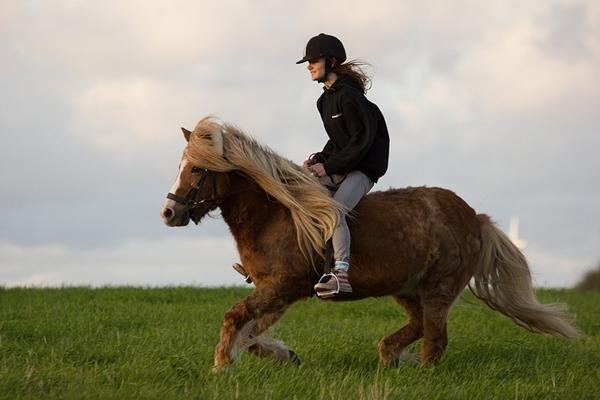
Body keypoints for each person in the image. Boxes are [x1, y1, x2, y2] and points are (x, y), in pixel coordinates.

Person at [297, 33, 390, 297]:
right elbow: (338, 141)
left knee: (334, 211)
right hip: (341, 166)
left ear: (331, 61)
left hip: (362, 170)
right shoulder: (324, 101)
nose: (309, 65)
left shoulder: (351, 97)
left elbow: (361, 142)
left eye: (313, 60)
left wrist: (327, 168)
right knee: (296, 190)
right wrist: (319, 160)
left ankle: (341, 276)